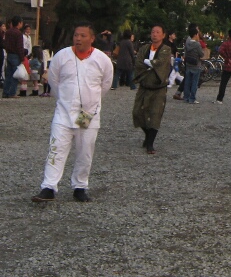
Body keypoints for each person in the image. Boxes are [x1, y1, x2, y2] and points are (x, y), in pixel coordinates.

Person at [31, 23, 114, 202]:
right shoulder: (62, 56)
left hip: (87, 113)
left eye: (83, 35)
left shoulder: (102, 60)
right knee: (56, 148)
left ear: (92, 38)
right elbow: (54, 80)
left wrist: (91, 101)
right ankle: (49, 186)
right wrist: (65, 99)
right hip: (64, 111)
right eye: (76, 35)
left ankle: (80, 186)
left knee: (84, 150)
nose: (78, 38)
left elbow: (106, 84)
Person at [132, 25, 172, 154]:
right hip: (144, 86)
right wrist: (150, 63)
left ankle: (150, 143)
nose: (154, 34)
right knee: (137, 113)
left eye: (158, 32)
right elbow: (138, 63)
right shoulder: (144, 48)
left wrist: (149, 63)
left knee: (155, 114)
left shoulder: (166, 49)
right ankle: (147, 134)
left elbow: (160, 63)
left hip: (158, 87)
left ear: (163, 35)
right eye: (153, 32)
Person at [3, 16, 25, 98]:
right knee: (16, 75)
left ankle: (5, 92)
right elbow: (19, 47)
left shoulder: (8, 32)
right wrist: (22, 58)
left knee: (8, 75)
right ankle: (12, 93)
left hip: (9, 54)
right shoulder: (18, 33)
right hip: (16, 55)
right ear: (19, 23)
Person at [182, 24, 204, 104]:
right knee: (194, 82)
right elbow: (201, 54)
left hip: (188, 63)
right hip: (196, 64)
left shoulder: (187, 43)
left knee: (187, 82)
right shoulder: (197, 44)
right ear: (195, 34)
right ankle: (192, 98)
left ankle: (186, 97)